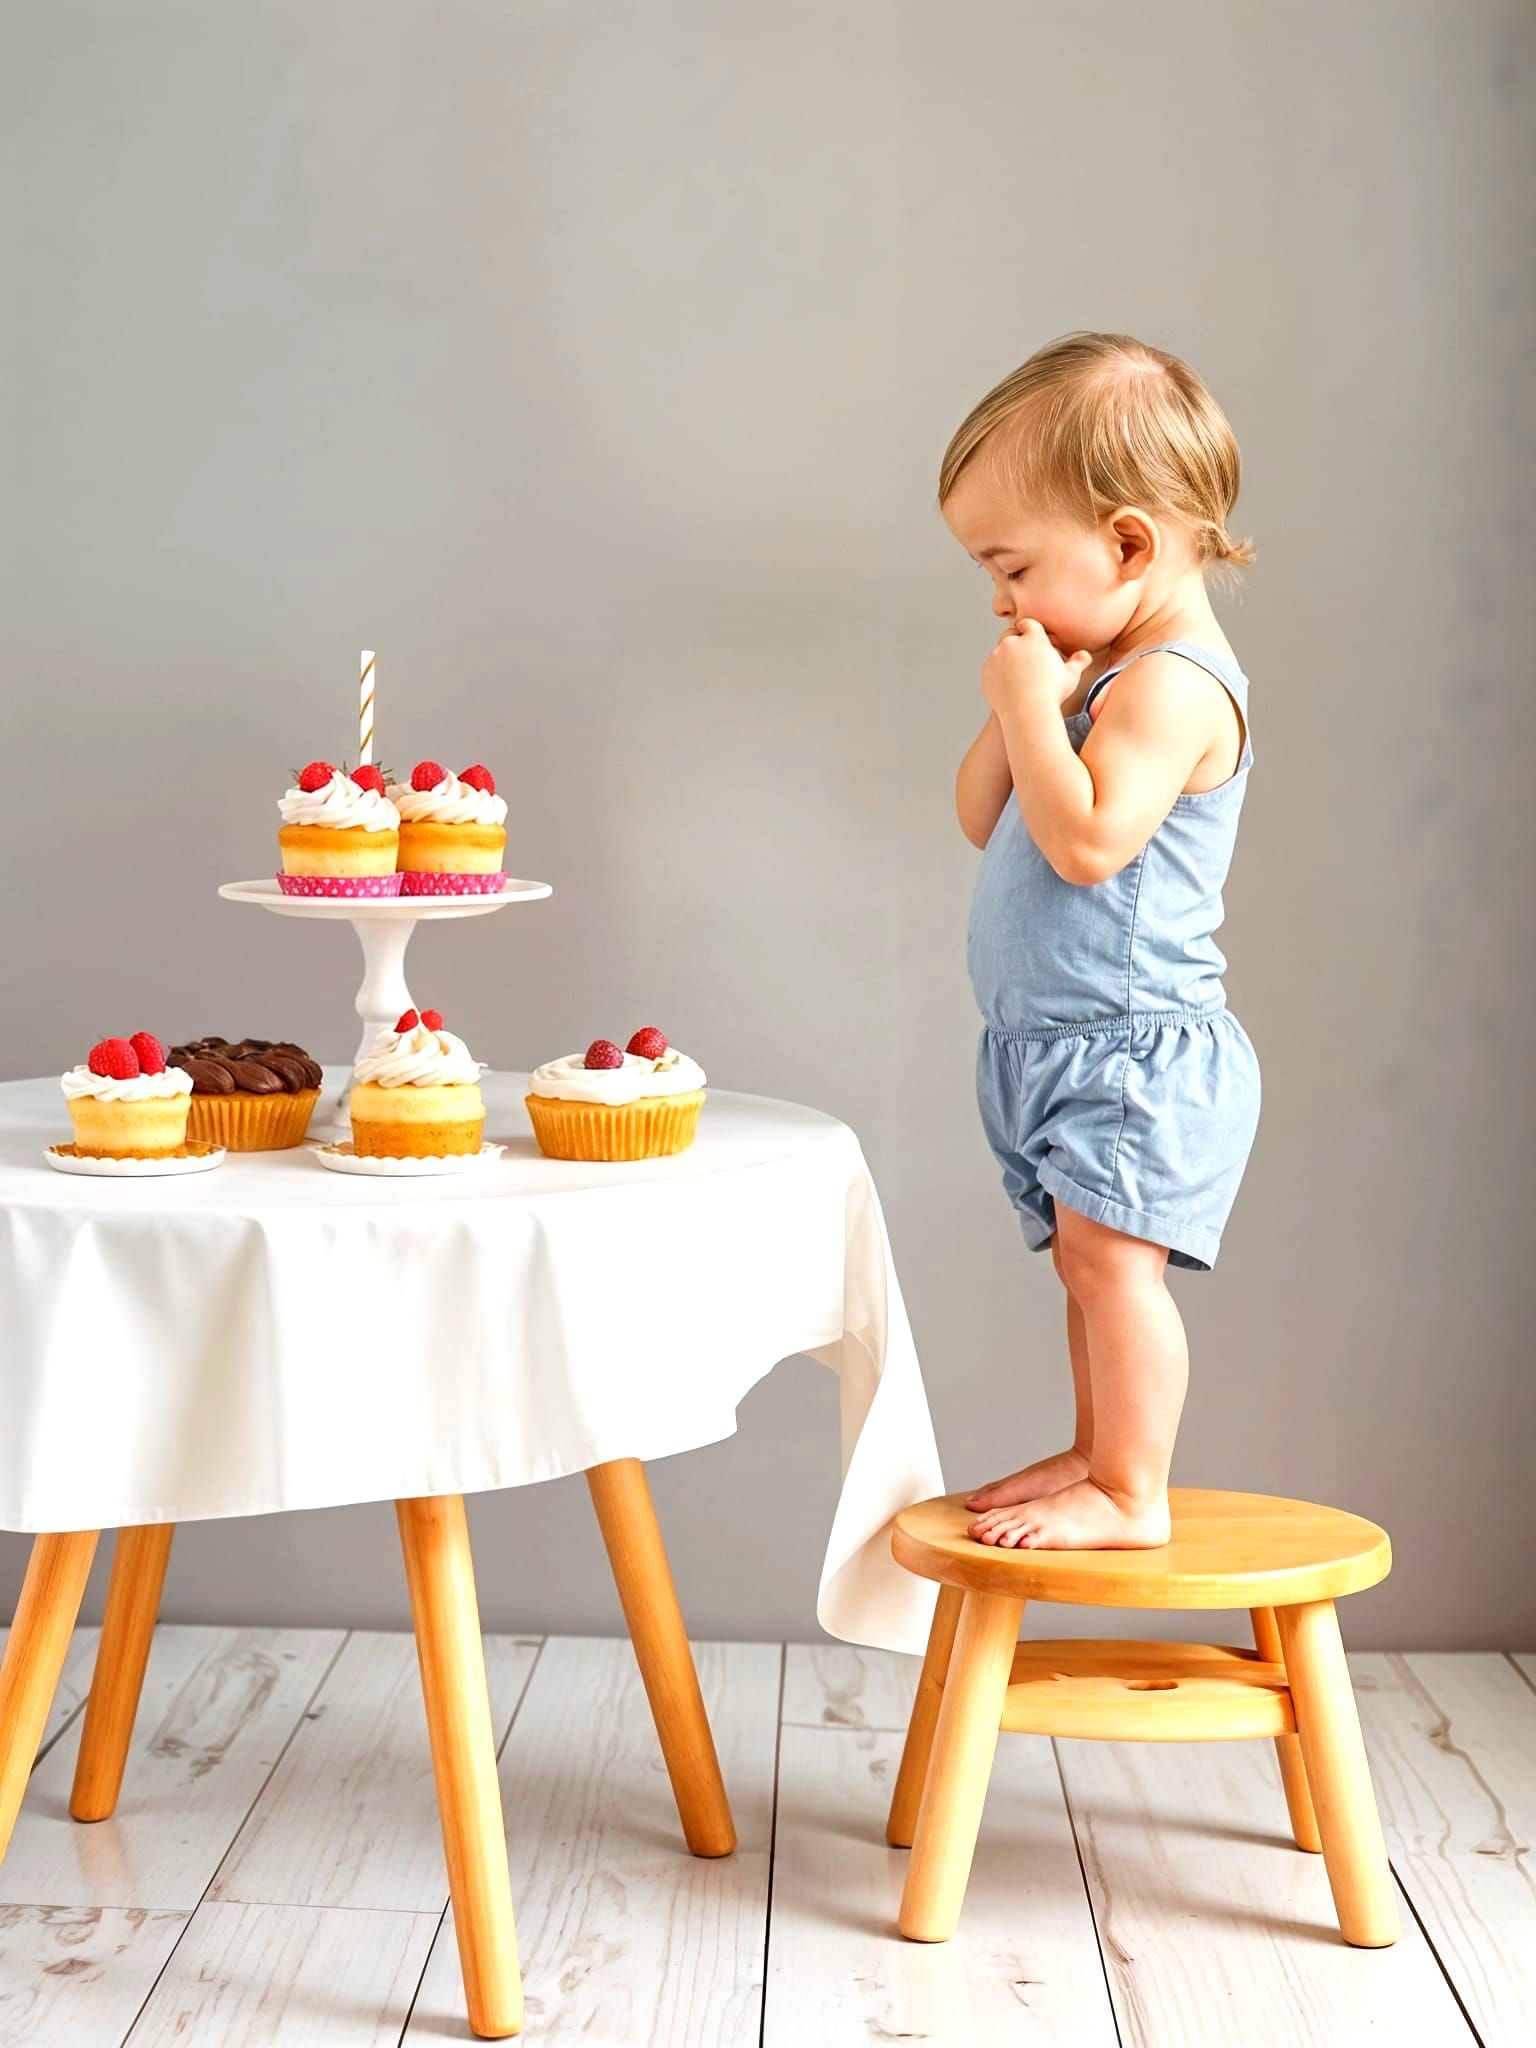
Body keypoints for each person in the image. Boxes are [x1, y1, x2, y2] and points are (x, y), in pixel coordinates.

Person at [946, 331, 1261, 1550]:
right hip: (1057, 1042)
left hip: (1135, 1049)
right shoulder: (1097, 675)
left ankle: (1133, 1484)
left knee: (1116, 1271)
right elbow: (985, 816)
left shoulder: (1174, 685)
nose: (1000, 598)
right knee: (1086, 1267)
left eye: (1012, 565)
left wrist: (1039, 705)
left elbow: (1087, 843)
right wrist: (1018, 708)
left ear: (1129, 543)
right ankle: (1095, 1448)